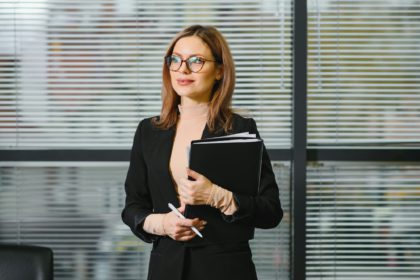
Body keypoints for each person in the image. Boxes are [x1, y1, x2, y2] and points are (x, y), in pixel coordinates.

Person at [122, 25, 283, 280]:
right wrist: (163, 224)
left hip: (226, 269)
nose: (183, 69)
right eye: (175, 60)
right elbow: (133, 207)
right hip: (166, 268)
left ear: (220, 70)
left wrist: (217, 196)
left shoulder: (239, 129)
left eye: (196, 61)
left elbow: (270, 211)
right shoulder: (148, 131)